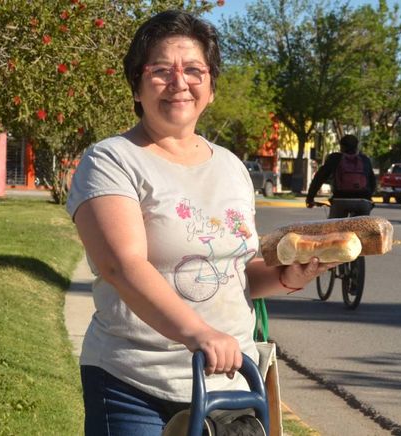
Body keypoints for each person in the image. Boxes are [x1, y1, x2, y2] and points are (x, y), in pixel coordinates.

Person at [66, 10, 338, 436]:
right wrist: (199, 333)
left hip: (230, 387)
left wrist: (288, 275)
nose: (179, 83)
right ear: (136, 85)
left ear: (210, 86)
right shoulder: (110, 160)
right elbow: (122, 266)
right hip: (134, 383)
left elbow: (237, 271)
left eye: (193, 70)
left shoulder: (231, 167)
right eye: (161, 70)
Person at [305, 134, 377, 218]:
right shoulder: (365, 159)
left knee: (335, 228)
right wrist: (368, 197)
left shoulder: (335, 158)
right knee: (360, 227)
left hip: (340, 200)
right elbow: (372, 182)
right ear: (357, 147)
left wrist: (310, 198)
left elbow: (319, 178)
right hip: (363, 201)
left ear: (341, 147)